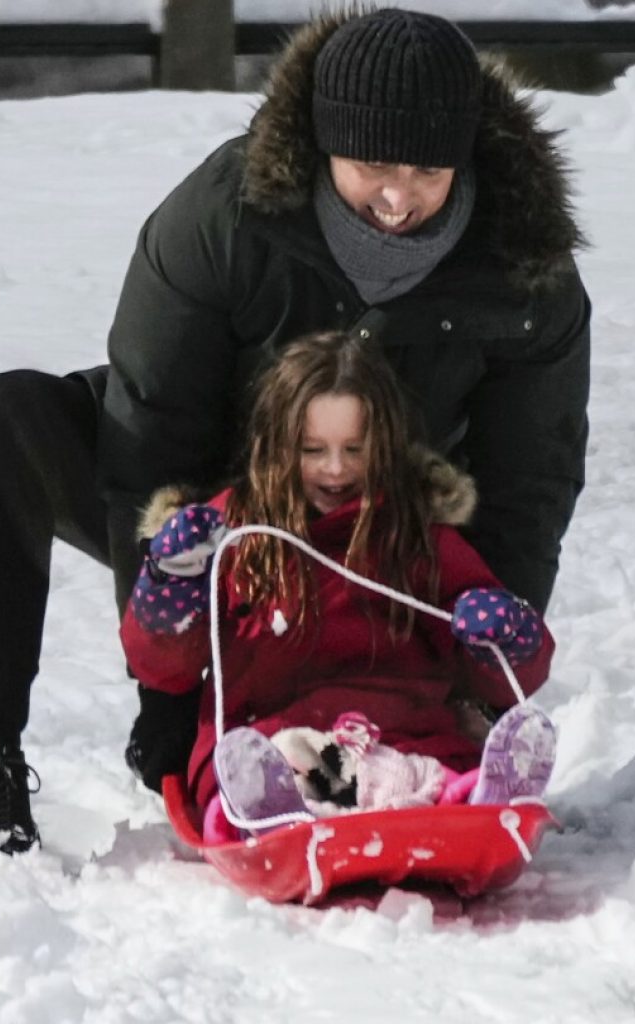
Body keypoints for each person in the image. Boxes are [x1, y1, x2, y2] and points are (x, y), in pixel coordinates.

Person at [0, 7, 589, 853]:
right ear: (324, 149)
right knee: (6, 417)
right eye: (372, 167)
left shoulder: (525, 263)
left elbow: (531, 478)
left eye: (429, 170)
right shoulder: (224, 215)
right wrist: (166, 695)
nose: (399, 198)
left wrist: (490, 674)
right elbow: (153, 433)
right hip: (208, 492)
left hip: (383, 519)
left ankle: (417, 768)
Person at [118, 332, 557, 838]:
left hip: (404, 737)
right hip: (273, 738)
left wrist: (506, 638)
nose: (335, 468)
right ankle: (263, 817)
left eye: (355, 449)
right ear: (275, 446)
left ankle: (481, 803)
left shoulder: (417, 536)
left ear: (386, 446)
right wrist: (170, 588)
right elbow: (161, 669)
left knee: (429, 774)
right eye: (312, 449)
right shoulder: (234, 533)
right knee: (271, 766)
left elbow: (506, 679)